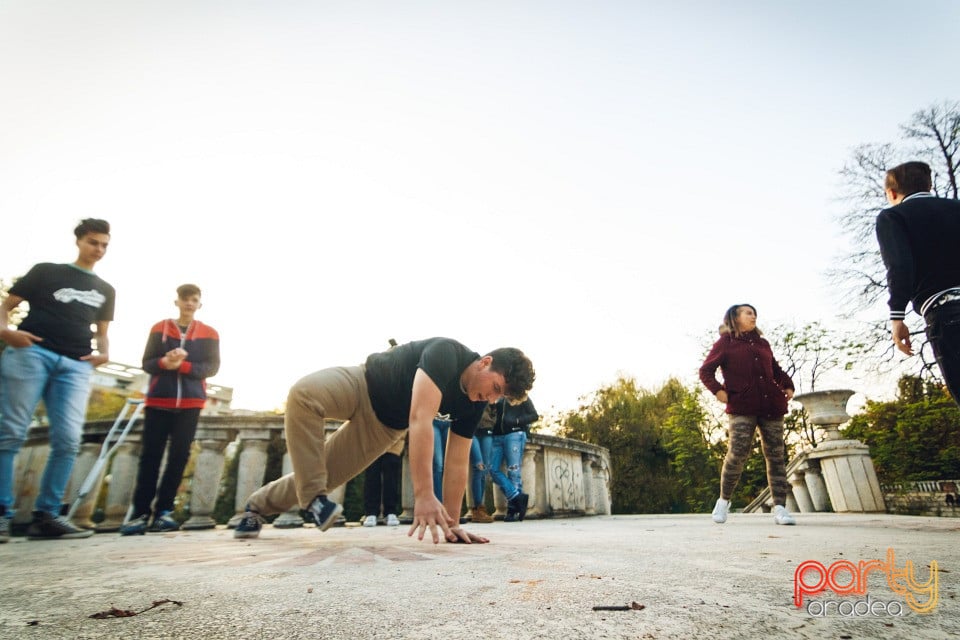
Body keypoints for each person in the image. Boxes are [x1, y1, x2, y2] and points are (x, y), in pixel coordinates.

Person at [233, 337, 535, 544]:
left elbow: (457, 462)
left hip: (383, 428)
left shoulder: (476, 402)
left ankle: (255, 508)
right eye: (495, 387)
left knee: (325, 472)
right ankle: (314, 500)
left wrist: (453, 524)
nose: (492, 399)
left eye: (500, 396)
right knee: (304, 394)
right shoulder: (447, 353)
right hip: (361, 383)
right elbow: (420, 420)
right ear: (485, 362)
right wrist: (424, 495)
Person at [0, 219, 115, 542]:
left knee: (68, 440)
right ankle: (1, 514)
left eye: (105, 245)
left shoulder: (106, 289)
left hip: (76, 364)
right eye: (94, 242)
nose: (99, 250)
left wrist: (103, 353)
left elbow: (103, 332)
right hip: (32, 353)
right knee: (11, 431)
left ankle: (46, 516)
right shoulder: (46, 271)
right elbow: (6, 307)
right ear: (79, 241)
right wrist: (6, 332)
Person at [119, 284, 220, 535]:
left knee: (179, 457)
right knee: (150, 457)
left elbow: (211, 367)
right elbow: (148, 363)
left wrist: (182, 366)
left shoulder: (209, 333)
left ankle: (163, 512)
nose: (189, 304)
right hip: (159, 400)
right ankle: (140, 513)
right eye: (185, 299)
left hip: (191, 402)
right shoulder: (159, 328)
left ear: (199, 304)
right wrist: (165, 362)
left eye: (194, 300)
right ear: (177, 302)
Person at [699, 304, 797, 526]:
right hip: (742, 406)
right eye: (748, 313)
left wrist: (788, 385)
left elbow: (775, 369)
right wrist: (718, 391)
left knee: (776, 456)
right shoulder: (726, 342)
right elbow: (706, 370)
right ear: (735, 317)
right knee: (737, 453)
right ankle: (723, 502)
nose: (753, 316)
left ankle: (780, 508)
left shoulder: (763, 343)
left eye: (754, 313)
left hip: (771, 405)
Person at [876, 160, 960, 406]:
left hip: (947, 312)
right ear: (929, 185)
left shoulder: (893, 216)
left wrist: (897, 316)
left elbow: (900, 266)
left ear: (892, 193)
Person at [489, 394, 538, 522]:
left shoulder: (521, 394)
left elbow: (534, 415)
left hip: (514, 435)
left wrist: (516, 421)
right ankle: (517, 497)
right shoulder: (497, 395)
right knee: (492, 469)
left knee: (513, 472)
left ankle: (512, 510)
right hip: (496, 437)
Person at [362, 435, 405, 527]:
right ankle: (371, 513)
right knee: (372, 476)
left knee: (391, 477)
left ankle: (391, 512)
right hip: (372, 442)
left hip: (394, 440)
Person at [467, 402, 496, 523]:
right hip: (471, 430)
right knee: (478, 467)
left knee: (484, 470)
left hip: (487, 430)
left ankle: (481, 508)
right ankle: (476, 508)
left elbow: (495, 411)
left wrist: (491, 421)